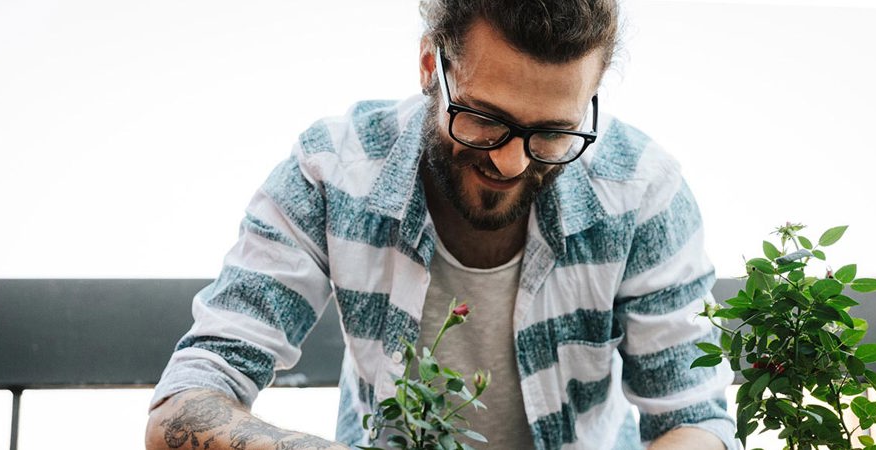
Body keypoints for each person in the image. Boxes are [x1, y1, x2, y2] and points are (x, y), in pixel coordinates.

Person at [145, 1, 737, 449]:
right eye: (484, 118)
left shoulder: (642, 191)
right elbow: (183, 405)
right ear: (431, 65)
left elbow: (694, 419)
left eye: (552, 132)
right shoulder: (333, 169)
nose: (512, 161)